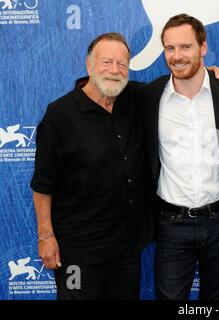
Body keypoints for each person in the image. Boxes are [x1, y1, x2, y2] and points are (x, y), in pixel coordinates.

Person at [30, 33, 155, 299]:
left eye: (122, 64)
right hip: (78, 249)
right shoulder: (60, 115)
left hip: (126, 247)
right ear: (88, 65)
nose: (114, 70)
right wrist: (45, 237)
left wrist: (210, 73)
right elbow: (42, 183)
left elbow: (177, 85)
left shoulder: (135, 97)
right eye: (106, 62)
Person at [138, 14, 219, 300]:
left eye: (185, 47)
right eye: (170, 48)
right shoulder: (149, 96)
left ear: (202, 47)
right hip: (171, 223)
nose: (177, 56)